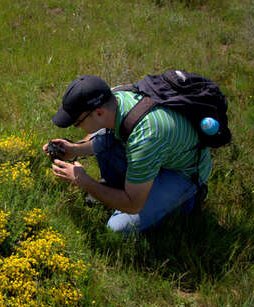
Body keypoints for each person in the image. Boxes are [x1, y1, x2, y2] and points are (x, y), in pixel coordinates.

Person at [44, 75, 211, 234]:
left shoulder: (145, 138)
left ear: (99, 112)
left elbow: (133, 205)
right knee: (104, 134)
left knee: (118, 228)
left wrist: (83, 182)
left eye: (77, 122)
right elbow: (106, 135)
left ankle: (188, 199)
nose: (75, 126)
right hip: (158, 151)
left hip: (183, 173)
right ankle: (132, 184)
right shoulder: (114, 96)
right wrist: (74, 149)